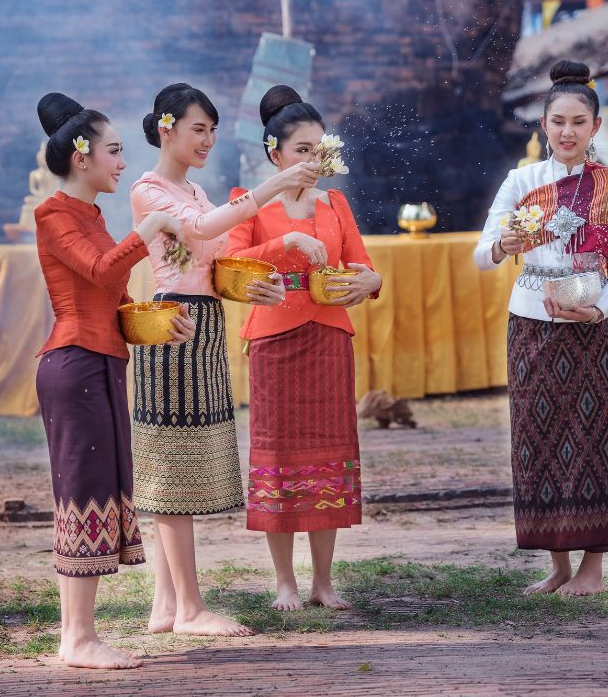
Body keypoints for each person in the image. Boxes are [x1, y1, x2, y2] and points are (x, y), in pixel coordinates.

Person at [129, 83, 320, 637]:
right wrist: (272, 188)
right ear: (167, 129)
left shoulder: (193, 189)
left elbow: (219, 255)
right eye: (198, 129)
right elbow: (199, 233)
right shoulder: (150, 190)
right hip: (175, 326)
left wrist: (258, 276)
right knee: (172, 470)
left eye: (212, 130)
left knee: (183, 467)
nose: (208, 139)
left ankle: (167, 606)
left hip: (204, 324)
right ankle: (188, 608)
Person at [473, 60, 608, 597]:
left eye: (579, 122)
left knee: (589, 439)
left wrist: (599, 310)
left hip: (588, 328)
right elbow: (483, 255)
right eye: (557, 122)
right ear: (544, 125)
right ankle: (556, 564)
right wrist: (504, 246)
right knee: (538, 438)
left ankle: (592, 570)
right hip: (529, 323)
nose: (567, 132)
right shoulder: (521, 180)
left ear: (595, 127)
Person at [33, 92, 195, 669]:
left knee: (98, 492)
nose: (123, 162)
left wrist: (155, 326)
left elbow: (113, 297)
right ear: (82, 157)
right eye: (115, 150)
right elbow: (101, 270)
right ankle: (76, 639)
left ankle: (82, 635)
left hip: (99, 363)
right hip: (72, 365)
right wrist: (149, 227)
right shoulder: (53, 214)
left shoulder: (93, 217)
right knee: (81, 495)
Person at [227, 85, 381, 611]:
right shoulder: (248, 204)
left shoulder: (335, 203)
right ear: (275, 154)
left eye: (320, 149)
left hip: (330, 339)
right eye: (301, 150)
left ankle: (323, 581)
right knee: (280, 458)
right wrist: (287, 243)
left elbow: (362, 263)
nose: (313, 160)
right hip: (274, 342)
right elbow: (233, 265)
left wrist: (370, 280)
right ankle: (284, 583)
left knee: (328, 457)